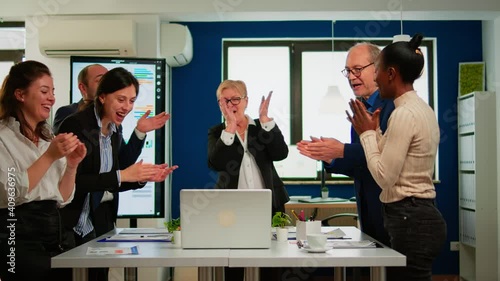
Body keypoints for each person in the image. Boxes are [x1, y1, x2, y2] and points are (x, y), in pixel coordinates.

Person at [57, 67, 177, 281]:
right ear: (102, 97)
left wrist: (142, 176)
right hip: (71, 224)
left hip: (100, 222)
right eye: (121, 99)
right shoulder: (76, 125)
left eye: (131, 101)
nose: (127, 107)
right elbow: (74, 181)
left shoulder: (114, 129)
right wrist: (124, 175)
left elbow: (117, 174)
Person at [347, 34, 446, 281]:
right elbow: (393, 154)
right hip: (417, 215)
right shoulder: (418, 108)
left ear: (391, 73)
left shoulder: (403, 114)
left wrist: (367, 134)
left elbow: (384, 177)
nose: (376, 79)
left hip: (410, 218)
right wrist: (375, 130)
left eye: (377, 70)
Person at [297, 43, 394, 248]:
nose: (351, 77)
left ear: (377, 67)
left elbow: (386, 156)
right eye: (348, 71)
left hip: (390, 212)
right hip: (368, 211)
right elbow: (363, 162)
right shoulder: (361, 108)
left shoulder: (392, 105)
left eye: (357, 69)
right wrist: (330, 157)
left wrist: (341, 150)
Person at [0, 60, 86, 281]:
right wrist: (49, 157)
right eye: (44, 91)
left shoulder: (48, 138)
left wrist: (72, 166)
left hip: (55, 237)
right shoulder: (3, 136)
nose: (52, 98)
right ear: (20, 94)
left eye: (53, 92)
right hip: (18, 238)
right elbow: (9, 192)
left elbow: (63, 198)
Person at [207, 79, 289, 280]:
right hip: (231, 211)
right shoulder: (217, 133)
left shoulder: (261, 128)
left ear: (246, 101)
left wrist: (265, 120)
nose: (231, 105)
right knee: (234, 266)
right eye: (225, 101)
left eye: (236, 99)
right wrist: (231, 128)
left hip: (269, 208)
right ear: (219, 104)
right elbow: (216, 163)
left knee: (270, 266)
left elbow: (281, 153)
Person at [53, 64, 108, 132]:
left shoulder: (112, 118)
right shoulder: (67, 112)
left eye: (108, 80)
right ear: (83, 88)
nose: (107, 85)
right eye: (100, 80)